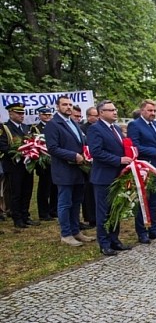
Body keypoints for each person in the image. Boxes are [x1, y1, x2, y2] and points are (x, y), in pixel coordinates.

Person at [43, 96, 95, 246]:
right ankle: (66, 234)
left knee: (77, 201)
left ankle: (75, 230)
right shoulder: (53, 124)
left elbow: (81, 141)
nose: (68, 107)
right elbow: (52, 148)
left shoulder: (73, 122)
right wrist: (73, 155)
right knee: (65, 203)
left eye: (70, 105)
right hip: (64, 169)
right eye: (65, 104)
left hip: (79, 169)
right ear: (58, 106)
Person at [87, 100, 134, 256]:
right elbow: (96, 152)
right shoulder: (95, 129)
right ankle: (104, 243)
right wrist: (118, 160)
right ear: (101, 113)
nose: (115, 112)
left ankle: (115, 239)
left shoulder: (116, 129)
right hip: (103, 177)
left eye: (115, 109)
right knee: (104, 211)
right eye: (111, 110)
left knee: (116, 209)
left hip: (117, 176)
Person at [127, 99, 156, 244]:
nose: (153, 113)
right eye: (150, 110)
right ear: (142, 111)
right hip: (145, 168)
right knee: (143, 201)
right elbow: (135, 146)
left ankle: (153, 229)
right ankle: (142, 231)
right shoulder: (134, 125)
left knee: (155, 200)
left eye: (154, 111)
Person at [0, 102, 38, 228]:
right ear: (10, 113)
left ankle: (25, 215)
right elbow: (3, 146)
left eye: (23, 113)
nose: (22, 115)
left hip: (27, 165)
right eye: (18, 113)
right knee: (16, 192)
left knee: (27, 191)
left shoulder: (26, 127)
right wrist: (19, 152)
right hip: (14, 165)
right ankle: (17, 218)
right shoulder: (4, 128)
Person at [32, 106, 58, 221]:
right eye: (44, 115)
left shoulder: (54, 126)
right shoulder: (35, 128)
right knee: (44, 188)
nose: (47, 117)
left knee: (55, 187)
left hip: (55, 161)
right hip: (43, 163)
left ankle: (53, 210)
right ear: (39, 115)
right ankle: (43, 212)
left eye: (49, 115)